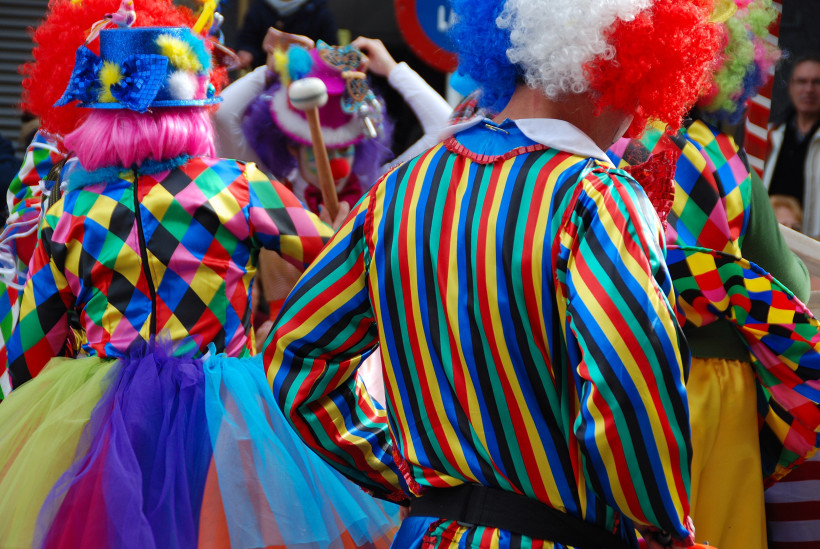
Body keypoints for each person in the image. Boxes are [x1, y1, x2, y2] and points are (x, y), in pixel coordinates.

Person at [265, 0, 723, 547]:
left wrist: (417, 481)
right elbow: (627, 386)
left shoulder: (400, 189)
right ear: (607, 68)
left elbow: (299, 358)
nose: (637, 119)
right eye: (638, 86)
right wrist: (664, 527)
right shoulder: (595, 197)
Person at [0, 20, 397, 548]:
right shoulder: (236, 186)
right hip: (230, 417)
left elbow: (29, 352)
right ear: (193, 110)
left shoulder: (72, 211)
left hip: (103, 425)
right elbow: (342, 267)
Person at [0, 0, 206, 399]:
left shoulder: (193, 165)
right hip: (79, 360)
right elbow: (19, 254)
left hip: (187, 360)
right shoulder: (54, 149)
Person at [764, 53, 820, 238]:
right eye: (802, 81)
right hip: (770, 235)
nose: (809, 89)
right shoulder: (772, 134)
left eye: (816, 82)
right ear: (791, 87)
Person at [233, 0, 337, 70]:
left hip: (305, 79)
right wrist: (246, 53)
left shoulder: (320, 12)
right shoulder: (258, 8)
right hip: (264, 73)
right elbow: (248, 39)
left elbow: (328, 48)